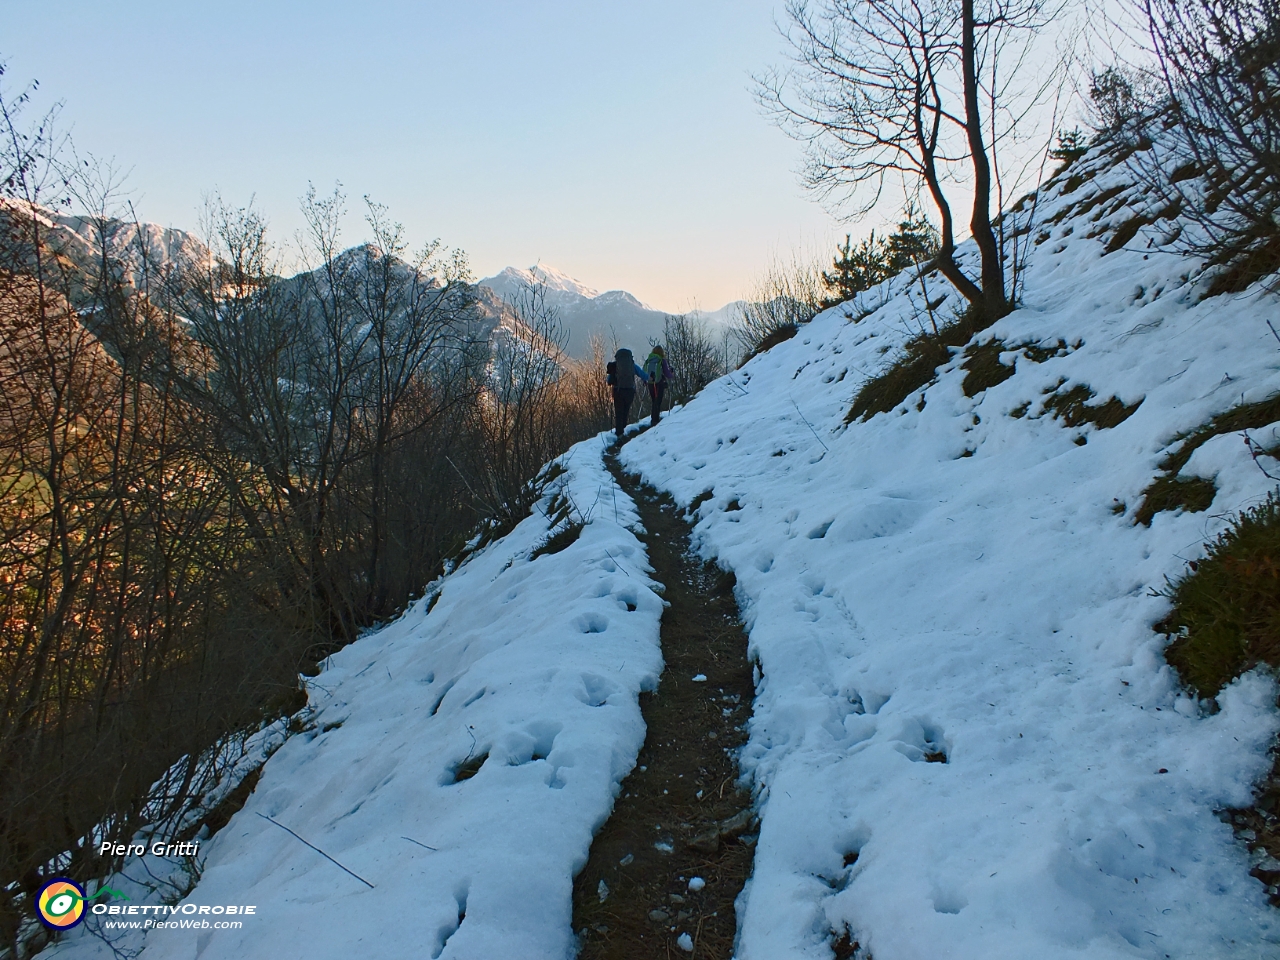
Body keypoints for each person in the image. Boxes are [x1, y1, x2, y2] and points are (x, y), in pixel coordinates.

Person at [605, 347, 648, 440]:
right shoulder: (632, 365)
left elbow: (608, 380)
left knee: (618, 412)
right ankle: (623, 428)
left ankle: (619, 433)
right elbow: (643, 375)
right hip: (629, 391)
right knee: (625, 411)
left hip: (618, 391)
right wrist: (650, 378)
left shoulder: (615, 366)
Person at [643, 345, 674, 426]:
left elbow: (644, 371)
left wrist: (645, 381)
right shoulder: (661, 360)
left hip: (650, 383)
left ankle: (654, 418)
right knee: (658, 401)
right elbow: (667, 373)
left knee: (654, 400)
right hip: (658, 383)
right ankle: (655, 420)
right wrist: (671, 374)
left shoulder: (648, 360)